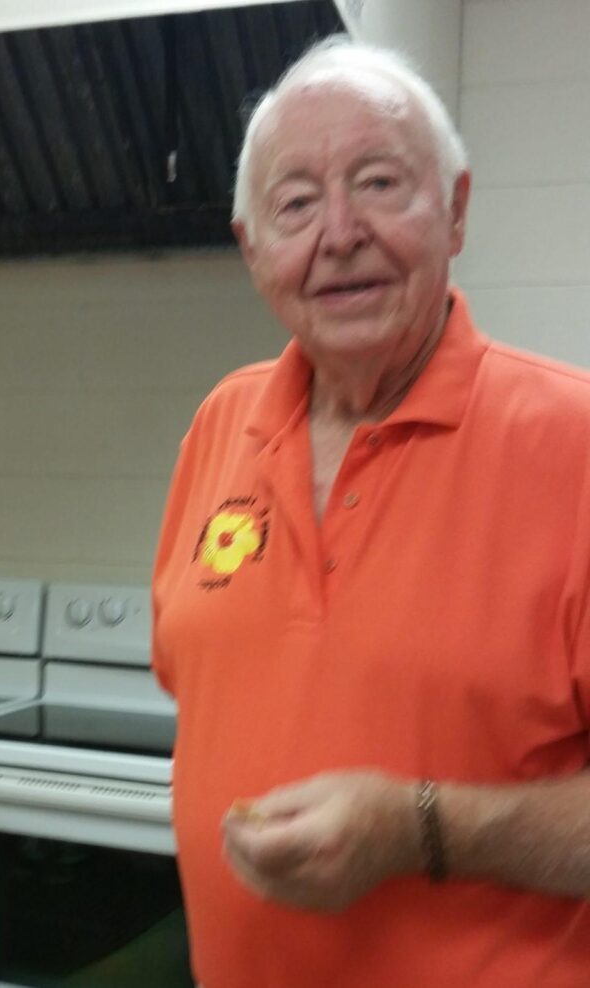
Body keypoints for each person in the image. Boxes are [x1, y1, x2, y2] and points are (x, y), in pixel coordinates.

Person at [152, 37, 590, 988]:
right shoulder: (222, 425)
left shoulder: (574, 441)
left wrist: (419, 827)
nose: (339, 233)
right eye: (297, 204)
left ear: (458, 210)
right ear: (253, 247)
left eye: (380, 183)